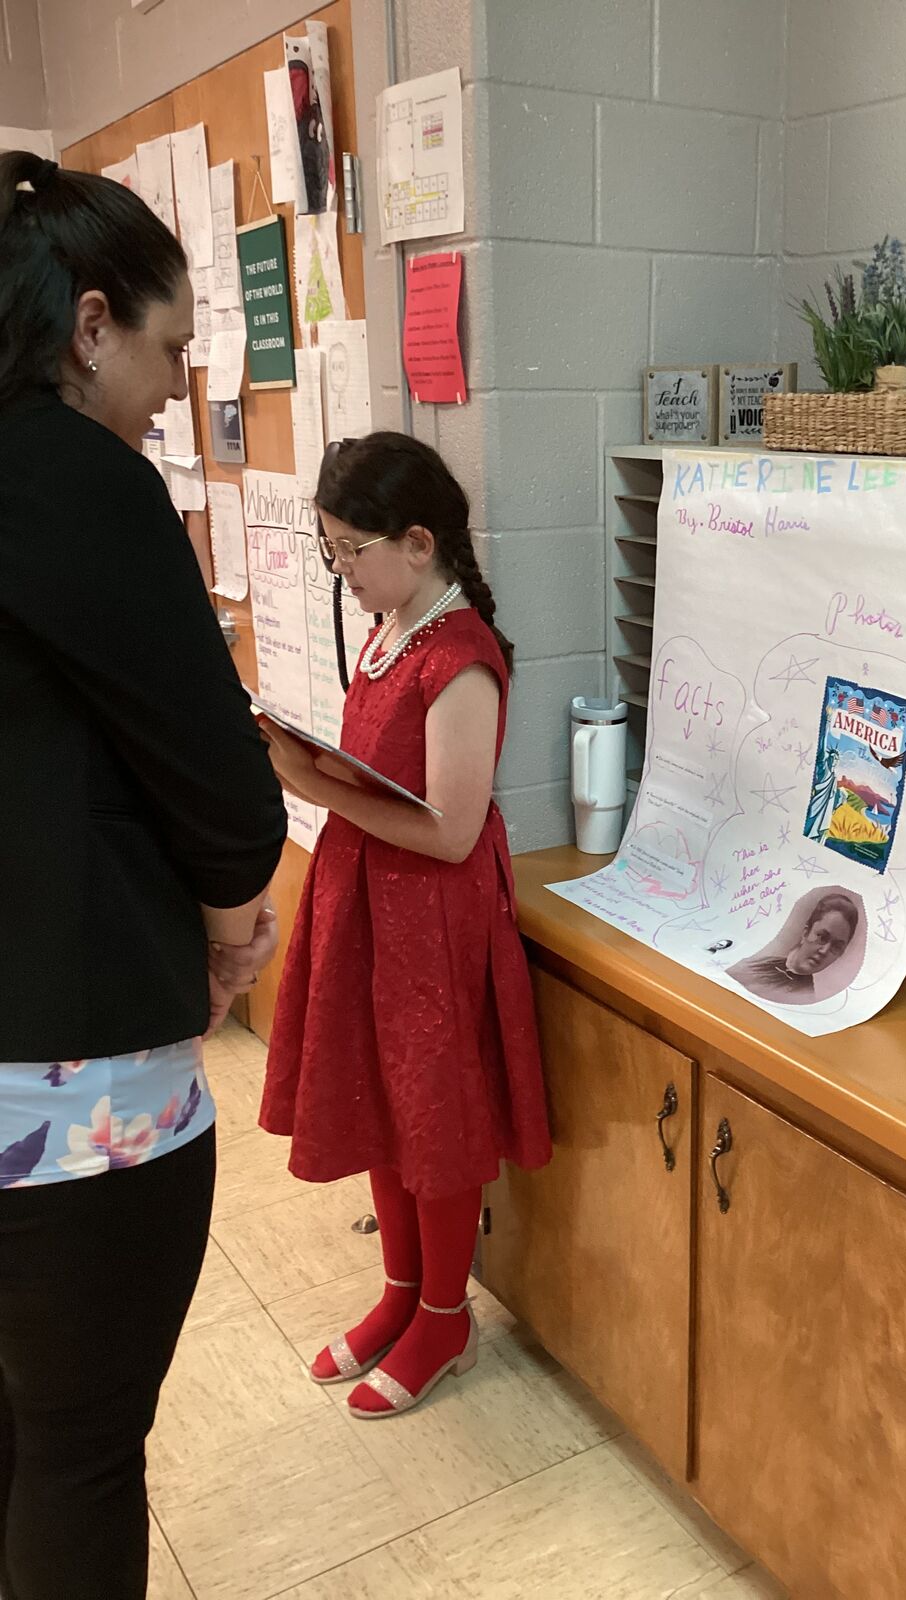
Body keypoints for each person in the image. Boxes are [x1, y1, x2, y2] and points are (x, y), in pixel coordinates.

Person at [0, 152, 287, 1600]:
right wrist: (236, 931)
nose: (179, 388)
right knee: (80, 1451)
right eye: (172, 348)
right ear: (90, 324)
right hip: (65, 1084)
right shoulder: (73, 479)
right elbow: (227, 795)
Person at [258, 433, 552, 1419]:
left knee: (436, 1119)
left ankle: (444, 1312)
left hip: (430, 915)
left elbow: (453, 830)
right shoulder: (393, 624)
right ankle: (398, 1292)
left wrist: (311, 785)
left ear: (418, 542)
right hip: (371, 903)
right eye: (331, 550)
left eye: (351, 551)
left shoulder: (460, 656)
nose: (340, 572)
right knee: (384, 1101)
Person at [728, 891, 860, 1005]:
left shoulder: (805, 999)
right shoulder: (756, 961)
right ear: (806, 931)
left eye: (836, 947)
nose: (824, 951)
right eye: (822, 937)